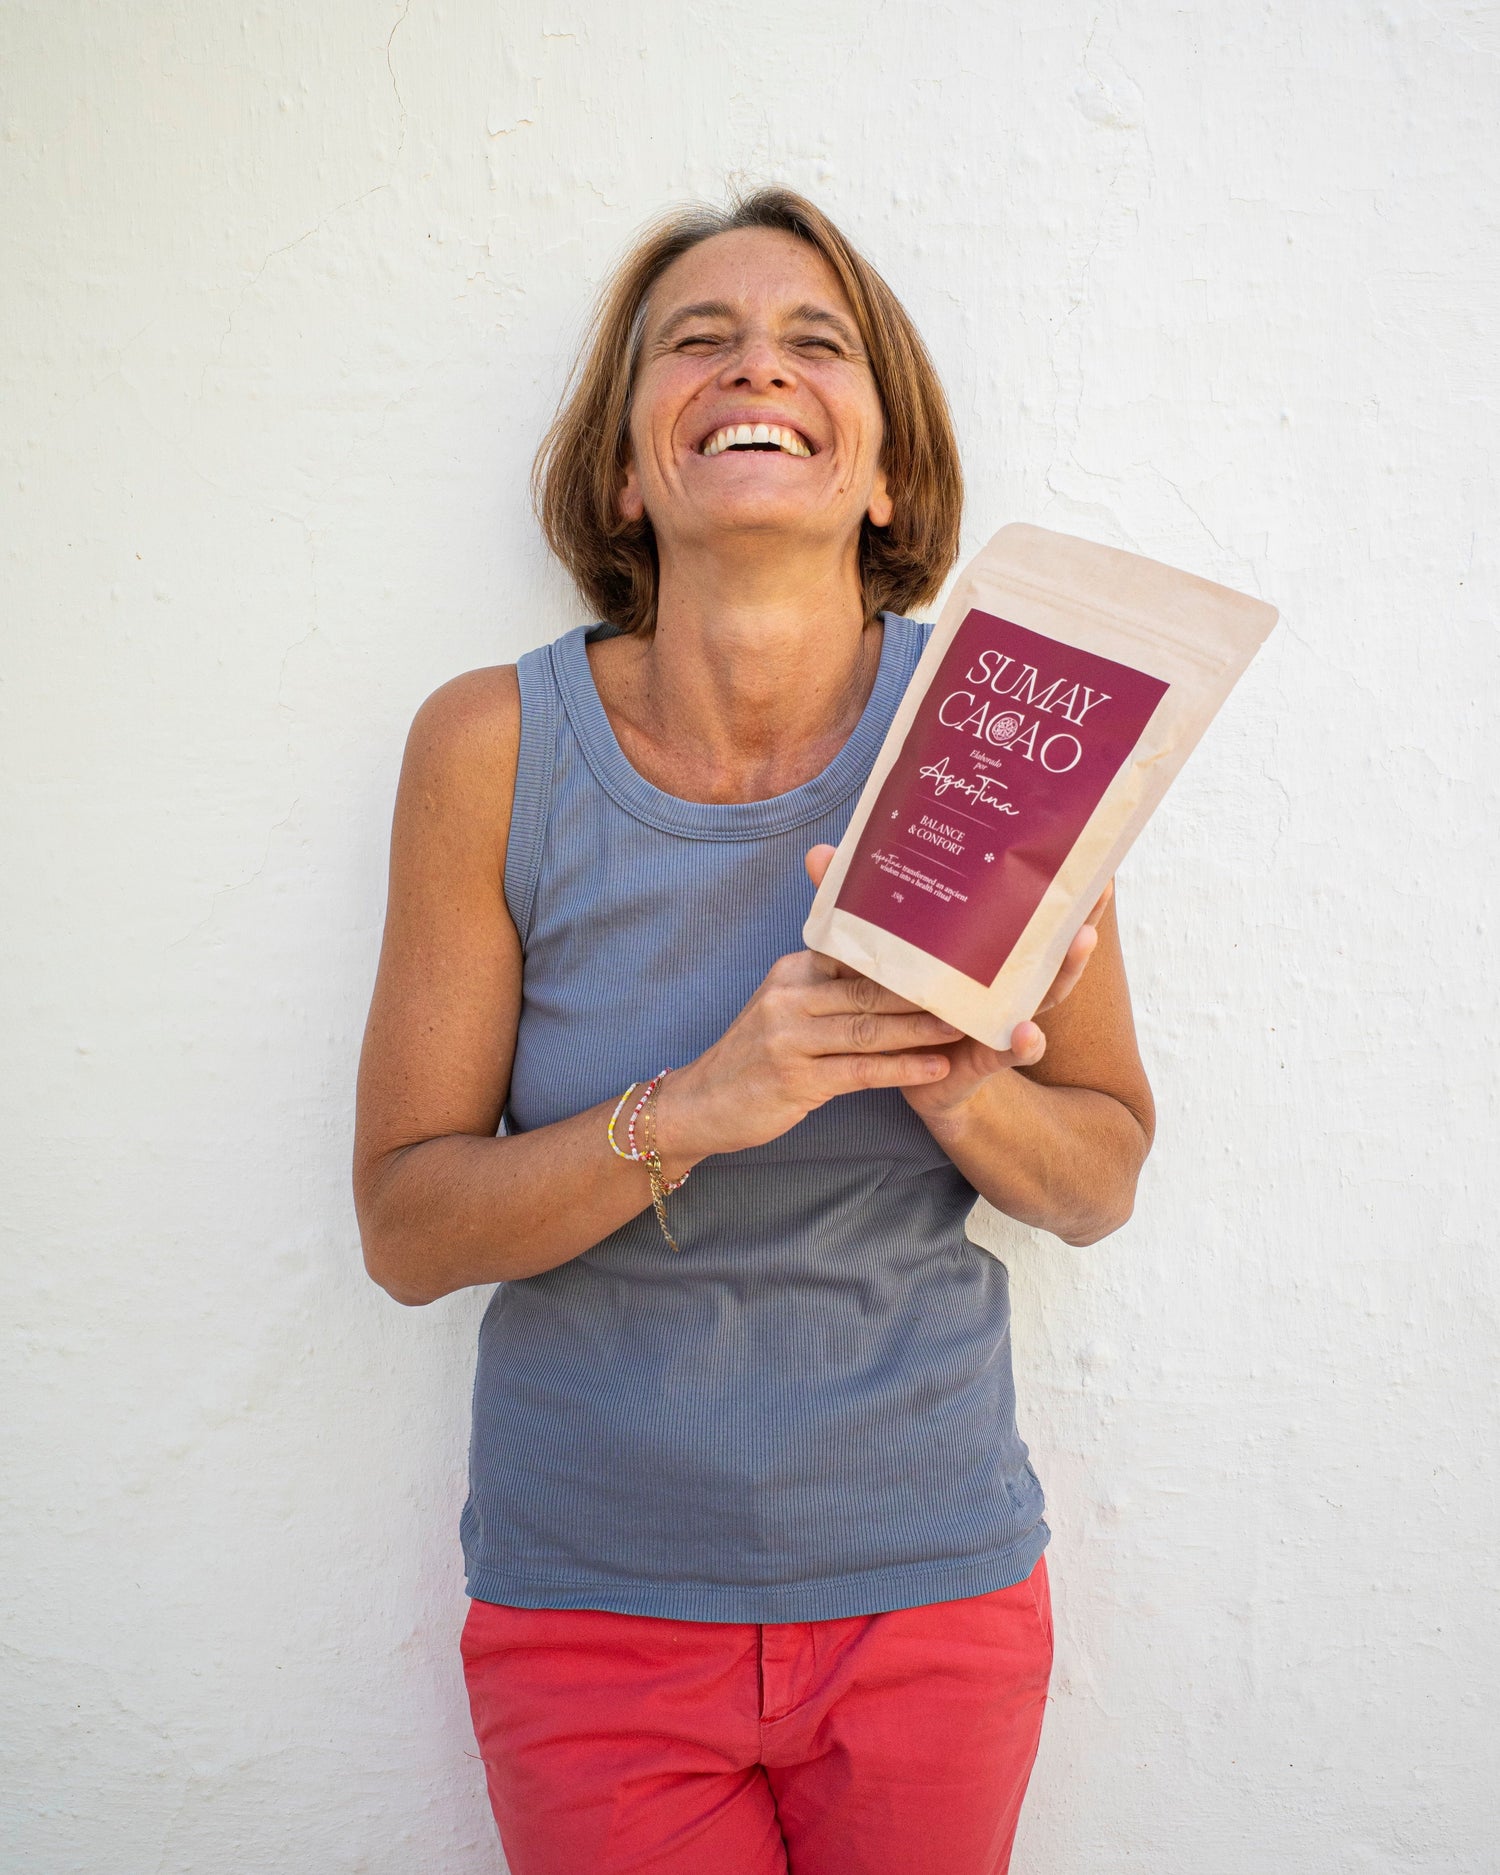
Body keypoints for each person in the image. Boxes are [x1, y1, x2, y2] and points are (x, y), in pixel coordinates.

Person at [353, 187, 1155, 1875]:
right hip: (591, 1605)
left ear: (882, 476)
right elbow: (410, 1230)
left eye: (814, 342)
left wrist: (947, 1061)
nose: (754, 367)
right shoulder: (492, 744)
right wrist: (705, 1104)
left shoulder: (1002, 725)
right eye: (695, 341)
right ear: (627, 473)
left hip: (930, 1587)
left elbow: (1098, 1181)